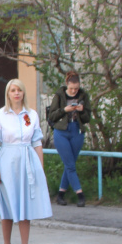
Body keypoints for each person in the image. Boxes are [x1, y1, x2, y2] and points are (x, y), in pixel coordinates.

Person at [0, 78, 52, 244]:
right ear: (8, 93)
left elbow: (37, 142)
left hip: (27, 160)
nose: (16, 93)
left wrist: (40, 167)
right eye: (12, 90)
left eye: (19, 90)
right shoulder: (0, 114)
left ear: (23, 93)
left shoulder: (31, 115)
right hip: (7, 160)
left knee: (25, 207)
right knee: (8, 206)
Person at [45, 71, 92, 207]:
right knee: (70, 165)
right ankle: (80, 194)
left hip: (77, 131)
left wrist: (82, 110)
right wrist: (65, 110)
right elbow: (52, 116)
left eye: (76, 89)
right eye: (71, 88)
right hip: (61, 132)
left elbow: (87, 118)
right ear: (67, 85)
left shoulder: (83, 95)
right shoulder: (59, 95)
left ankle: (60, 194)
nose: (74, 91)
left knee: (70, 163)